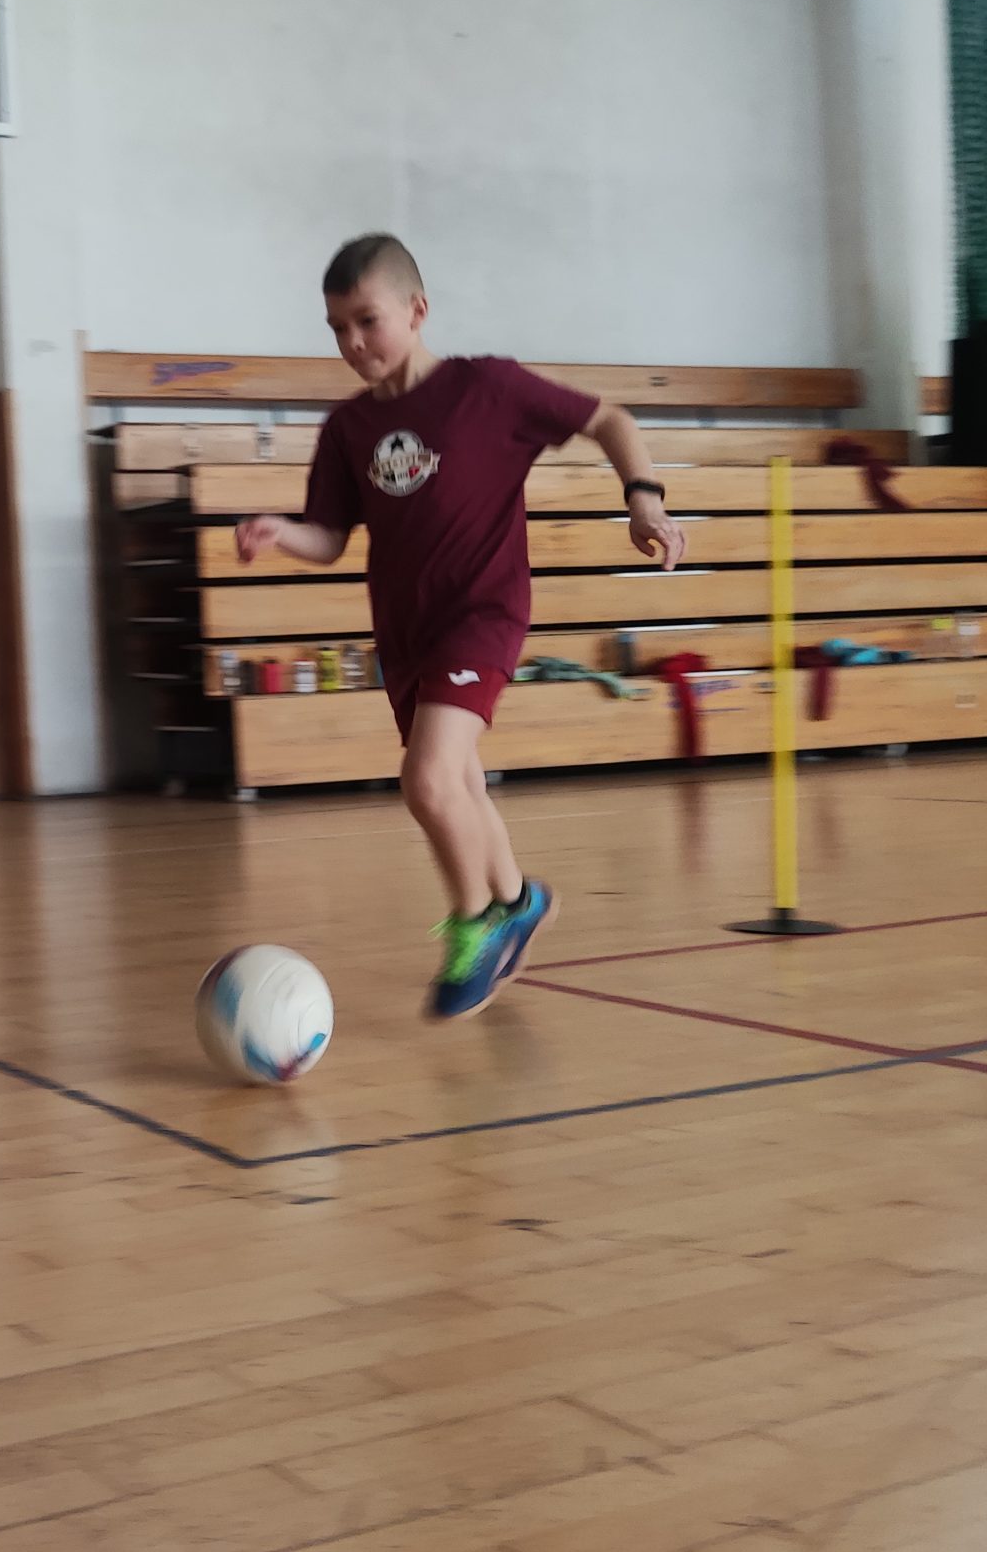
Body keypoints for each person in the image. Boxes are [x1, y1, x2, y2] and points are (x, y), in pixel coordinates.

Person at [237, 234, 687, 1018]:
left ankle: (475, 924)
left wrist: (643, 499)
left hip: (483, 612)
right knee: (461, 784)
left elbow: (610, 419)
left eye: (367, 321)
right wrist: (282, 532)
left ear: (417, 310)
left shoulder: (488, 388)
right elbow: (330, 537)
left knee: (429, 780)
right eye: (338, 328)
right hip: (405, 632)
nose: (353, 343)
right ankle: (517, 900)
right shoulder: (346, 429)